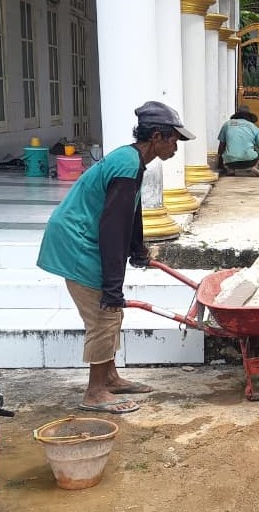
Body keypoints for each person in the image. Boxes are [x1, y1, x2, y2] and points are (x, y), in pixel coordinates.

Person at [37, 101, 195, 414]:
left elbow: (130, 211)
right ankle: (95, 392)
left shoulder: (132, 160)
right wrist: (113, 285)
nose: (177, 144)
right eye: (174, 138)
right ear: (156, 136)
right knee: (104, 314)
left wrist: (137, 248)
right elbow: (112, 227)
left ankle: (109, 378)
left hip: (86, 237)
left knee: (113, 314)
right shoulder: (126, 164)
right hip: (79, 242)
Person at [217, 105, 259, 177]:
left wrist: (220, 164)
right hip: (249, 161)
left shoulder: (227, 124)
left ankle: (231, 169)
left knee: (228, 146)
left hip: (230, 161)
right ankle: (255, 167)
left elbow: (221, 146)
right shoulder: (253, 127)